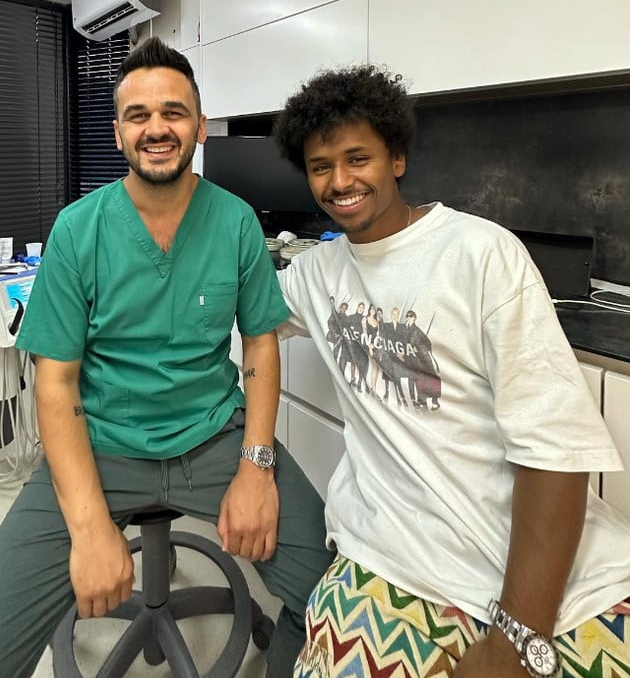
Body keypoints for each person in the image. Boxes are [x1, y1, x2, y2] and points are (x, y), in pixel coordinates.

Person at [273, 65, 630, 677]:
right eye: (320, 166)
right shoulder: (316, 274)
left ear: (397, 158)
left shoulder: (480, 254)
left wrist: (516, 638)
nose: (340, 181)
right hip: (396, 558)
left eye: (358, 158)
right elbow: (228, 300)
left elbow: (555, 452)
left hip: (558, 577)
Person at [0, 37, 332, 678]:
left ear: (200, 126)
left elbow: (260, 342)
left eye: (174, 112)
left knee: (331, 596)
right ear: (119, 133)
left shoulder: (235, 222)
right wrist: (89, 528)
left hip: (215, 437)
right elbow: (56, 383)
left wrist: (257, 466)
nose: (157, 128)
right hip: (101, 443)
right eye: (139, 115)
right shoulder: (79, 230)